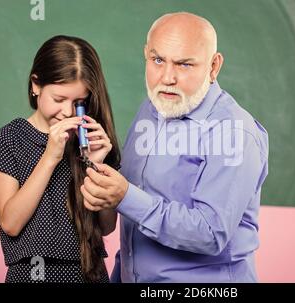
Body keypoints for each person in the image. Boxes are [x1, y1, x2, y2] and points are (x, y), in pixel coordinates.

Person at [82, 12, 269, 282]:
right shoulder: (153, 107)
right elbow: (134, 227)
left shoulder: (234, 132)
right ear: (146, 54)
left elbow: (210, 232)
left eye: (184, 65)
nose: (167, 77)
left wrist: (125, 197)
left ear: (214, 66)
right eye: (158, 60)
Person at [0, 35, 121, 283]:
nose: (68, 112)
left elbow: (107, 226)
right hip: (30, 274)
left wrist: (98, 166)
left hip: (89, 274)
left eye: (79, 103)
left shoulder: (91, 140)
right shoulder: (11, 138)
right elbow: (11, 223)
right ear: (36, 85)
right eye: (59, 99)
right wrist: (50, 157)